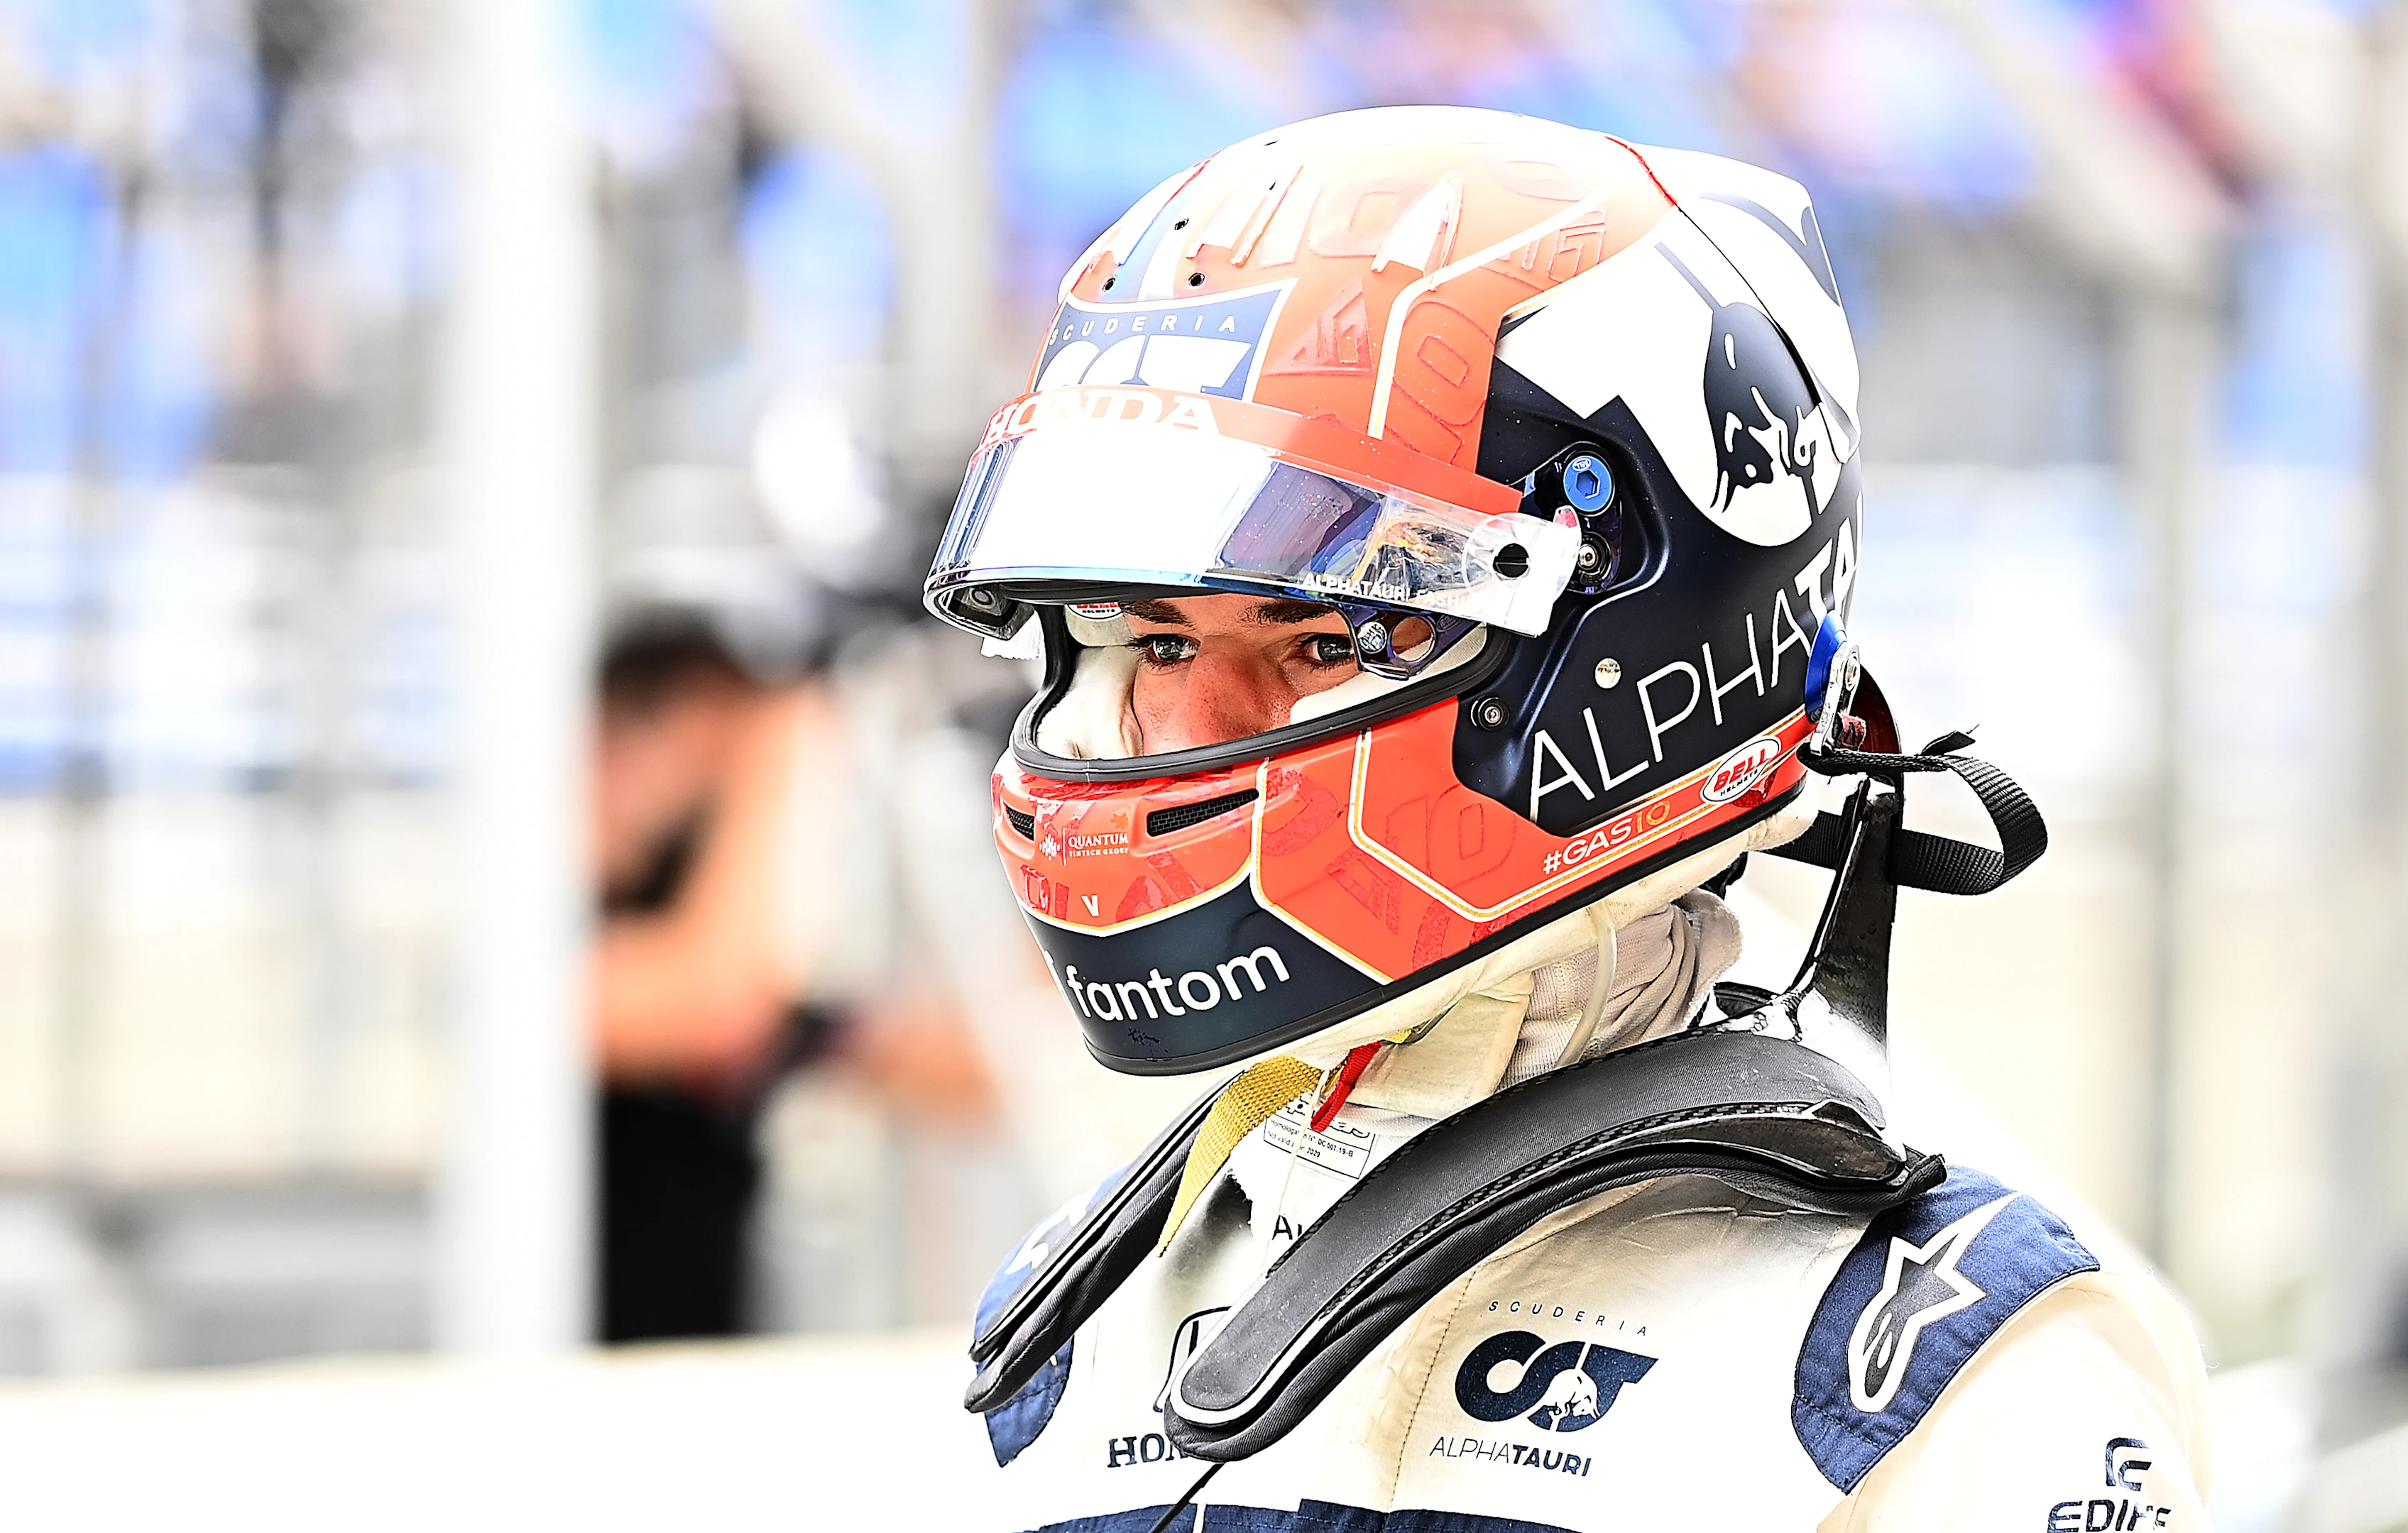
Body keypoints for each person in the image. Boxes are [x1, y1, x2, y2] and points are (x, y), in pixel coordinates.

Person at [928, 108, 2214, 1530]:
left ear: (1629, 641)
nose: (1184, 733)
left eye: (1327, 640)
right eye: (1149, 646)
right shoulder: (1067, 1329)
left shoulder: (1912, 1370)